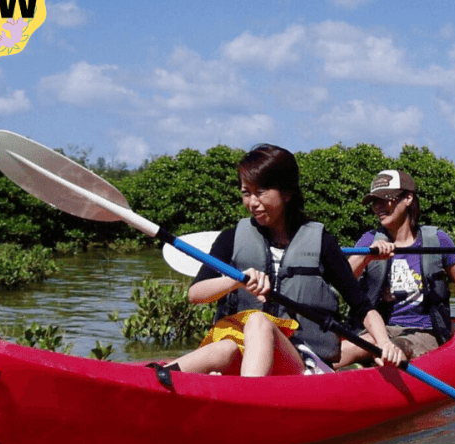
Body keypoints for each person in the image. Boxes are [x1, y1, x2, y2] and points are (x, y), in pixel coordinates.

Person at [167, 145, 406, 377]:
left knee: (259, 321)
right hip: (244, 351)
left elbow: (362, 306)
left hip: (301, 359)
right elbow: (195, 294)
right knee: (225, 346)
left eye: (260, 192)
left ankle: (249, 401)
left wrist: (385, 343)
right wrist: (236, 281)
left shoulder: (321, 242)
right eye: (246, 192)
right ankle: (158, 377)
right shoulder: (231, 238)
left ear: (287, 193)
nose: (252, 202)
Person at [335, 169, 455, 368]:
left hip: (422, 331)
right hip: (378, 330)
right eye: (374, 202)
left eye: (384, 200)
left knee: (392, 349)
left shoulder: (437, 239)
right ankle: (313, 374)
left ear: (408, 199)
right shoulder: (370, 240)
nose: (377, 207)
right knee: (365, 344)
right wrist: (366, 256)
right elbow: (343, 280)